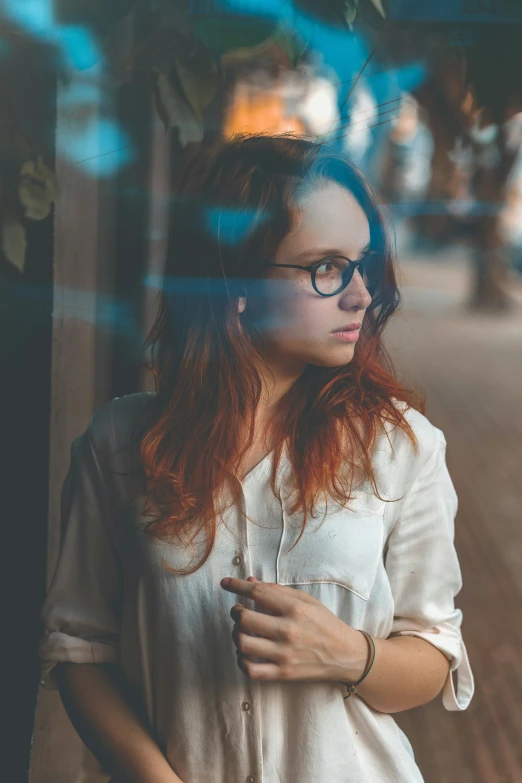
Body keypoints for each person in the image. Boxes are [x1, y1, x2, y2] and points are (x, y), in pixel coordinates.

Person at [38, 134, 475, 783]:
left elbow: (435, 653)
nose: (360, 294)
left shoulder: (403, 447)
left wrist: (348, 654)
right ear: (236, 280)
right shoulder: (120, 444)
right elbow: (81, 651)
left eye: (362, 264)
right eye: (327, 267)